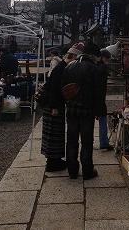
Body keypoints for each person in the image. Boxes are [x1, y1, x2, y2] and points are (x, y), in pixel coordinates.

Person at [62, 40, 105, 180]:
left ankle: (72, 170)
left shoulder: (69, 67)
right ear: (92, 56)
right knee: (87, 142)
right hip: (87, 110)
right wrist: (99, 111)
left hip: (71, 109)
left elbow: (64, 89)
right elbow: (98, 92)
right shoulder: (93, 69)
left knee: (72, 140)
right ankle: (87, 170)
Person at [41, 42, 84, 172]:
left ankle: (55, 160)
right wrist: (54, 106)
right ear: (74, 57)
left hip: (55, 104)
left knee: (56, 134)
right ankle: (52, 162)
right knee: (53, 134)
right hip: (53, 105)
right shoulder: (61, 68)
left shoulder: (62, 66)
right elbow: (54, 88)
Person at [96, 48, 114, 151]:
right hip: (100, 96)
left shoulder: (96, 65)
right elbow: (102, 87)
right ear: (103, 58)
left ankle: (102, 141)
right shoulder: (102, 68)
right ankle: (104, 142)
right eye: (107, 58)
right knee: (103, 118)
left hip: (94, 95)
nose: (107, 60)